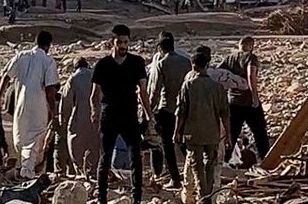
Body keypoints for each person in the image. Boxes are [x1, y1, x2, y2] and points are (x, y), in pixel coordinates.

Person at [91, 25, 153, 204]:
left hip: (130, 116)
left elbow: (143, 91)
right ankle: (101, 197)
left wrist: (150, 114)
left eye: (126, 42)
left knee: (136, 158)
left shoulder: (137, 62)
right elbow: (94, 93)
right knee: (105, 158)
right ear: (113, 42)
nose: (123, 46)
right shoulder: (103, 64)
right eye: (120, 42)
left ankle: (137, 199)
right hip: (109, 115)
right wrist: (94, 111)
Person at [0, 31, 60, 179]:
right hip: (39, 105)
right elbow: (50, 90)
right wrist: (53, 113)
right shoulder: (48, 61)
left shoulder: (21, 56)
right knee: (35, 139)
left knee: (20, 136)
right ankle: (27, 172)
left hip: (21, 103)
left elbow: (6, 76)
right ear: (49, 45)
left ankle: (22, 168)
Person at [175, 47, 230, 204]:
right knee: (210, 165)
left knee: (195, 164)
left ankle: (201, 193)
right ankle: (207, 195)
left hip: (192, 134)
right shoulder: (217, 87)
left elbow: (181, 112)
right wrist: (228, 134)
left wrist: (177, 132)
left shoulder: (188, 85)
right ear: (208, 63)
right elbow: (225, 114)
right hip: (212, 133)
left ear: (193, 65)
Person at [148, 35, 192, 188]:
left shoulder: (162, 63)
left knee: (167, 144)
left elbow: (155, 90)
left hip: (167, 109)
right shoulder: (186, 62)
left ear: (160, 48)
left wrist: (150, 111)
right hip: (185, 110)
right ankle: (193, 173)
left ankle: (175, 178)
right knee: (185, 144)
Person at [217, 37, 269, 162]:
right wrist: (255, 97)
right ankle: (266, 159)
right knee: (259, 132)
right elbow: (251, 76)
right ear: (251, 46)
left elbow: (218, 73)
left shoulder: (230, 58)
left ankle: (224, 161)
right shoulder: (251, 58)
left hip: (232, 102)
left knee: (232, 133)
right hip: (248, 102)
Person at [60, 58, 100, 178]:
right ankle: (93, 172)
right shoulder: (96, 76)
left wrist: (63, 120)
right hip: (96, 119)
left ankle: (80, 173)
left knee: (76, 147)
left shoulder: (73, 79)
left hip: (79, 119)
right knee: (95, 146)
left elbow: (66, 102)